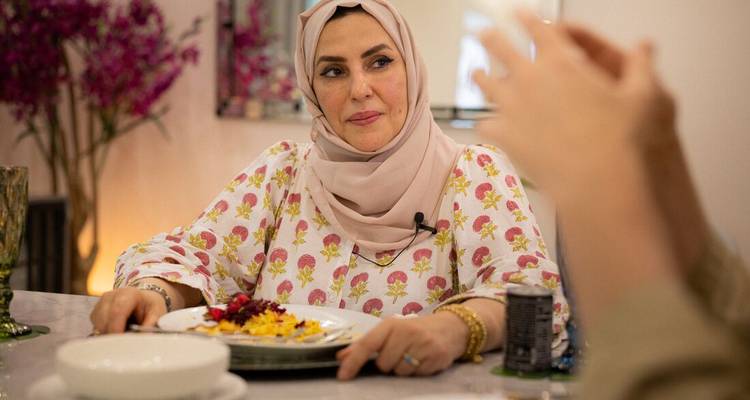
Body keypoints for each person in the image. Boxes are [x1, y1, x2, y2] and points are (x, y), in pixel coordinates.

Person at [90, 0, 570, 379]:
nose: (359, 88)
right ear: (312, 89)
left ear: (412, 70)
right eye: (334, 71)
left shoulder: (474, 175)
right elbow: (193, 256)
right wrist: (154, 294)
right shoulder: (282, 174)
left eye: (379, 61)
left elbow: (531, 295)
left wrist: (454, 328)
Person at [473, 10, 750, 398]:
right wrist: (661, 157)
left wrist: (598, 177)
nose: (362, 90)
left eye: (381, 61)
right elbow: (737, 337)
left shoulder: (476, 166)